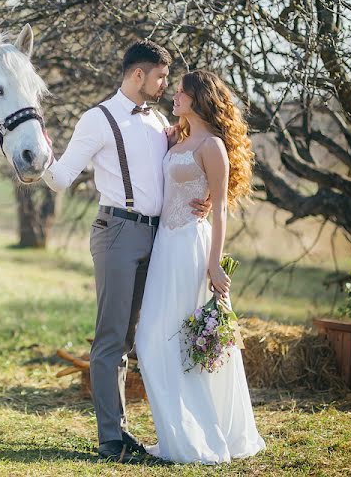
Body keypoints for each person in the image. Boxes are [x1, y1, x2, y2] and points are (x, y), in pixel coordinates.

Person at [42, 40, 210, 463]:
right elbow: (61, 177)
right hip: (117, 232)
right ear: (139, 75)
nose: (165, 85)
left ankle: (128, 430)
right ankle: (111, 440)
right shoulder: (96, 119)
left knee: (139, 338)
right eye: (160, 76)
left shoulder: (157, 121)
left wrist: (202, 196)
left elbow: (177, 170)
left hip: (160, 238)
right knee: (111, 338)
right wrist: (35, 155)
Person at [134, 69, 265, 464]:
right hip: (165, 249)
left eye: (180, 93)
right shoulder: (180, 138)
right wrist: (174, 140)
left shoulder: (212, 147)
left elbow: (221, 208)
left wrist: (215, 265)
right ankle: (178, 431)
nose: (174, 97)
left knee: (185, 341)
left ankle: (196, 439)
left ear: (198, 98)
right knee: (153, 337)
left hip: (192, 247)